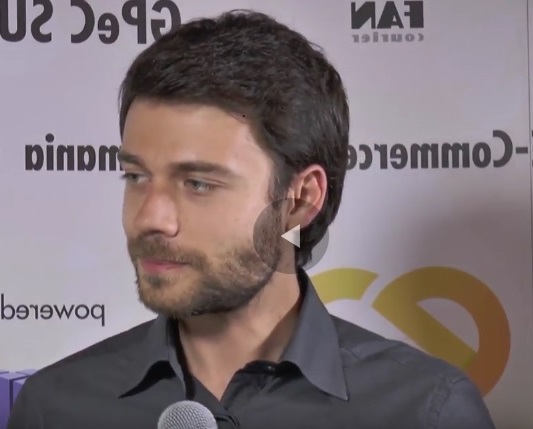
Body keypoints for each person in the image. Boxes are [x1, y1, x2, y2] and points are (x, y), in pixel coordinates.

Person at [8, 9, 496, 429]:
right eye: (136, 177)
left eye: (198, 183)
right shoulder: (58, 406)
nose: (151, 218)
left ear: (300, 200)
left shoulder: (423, 410)